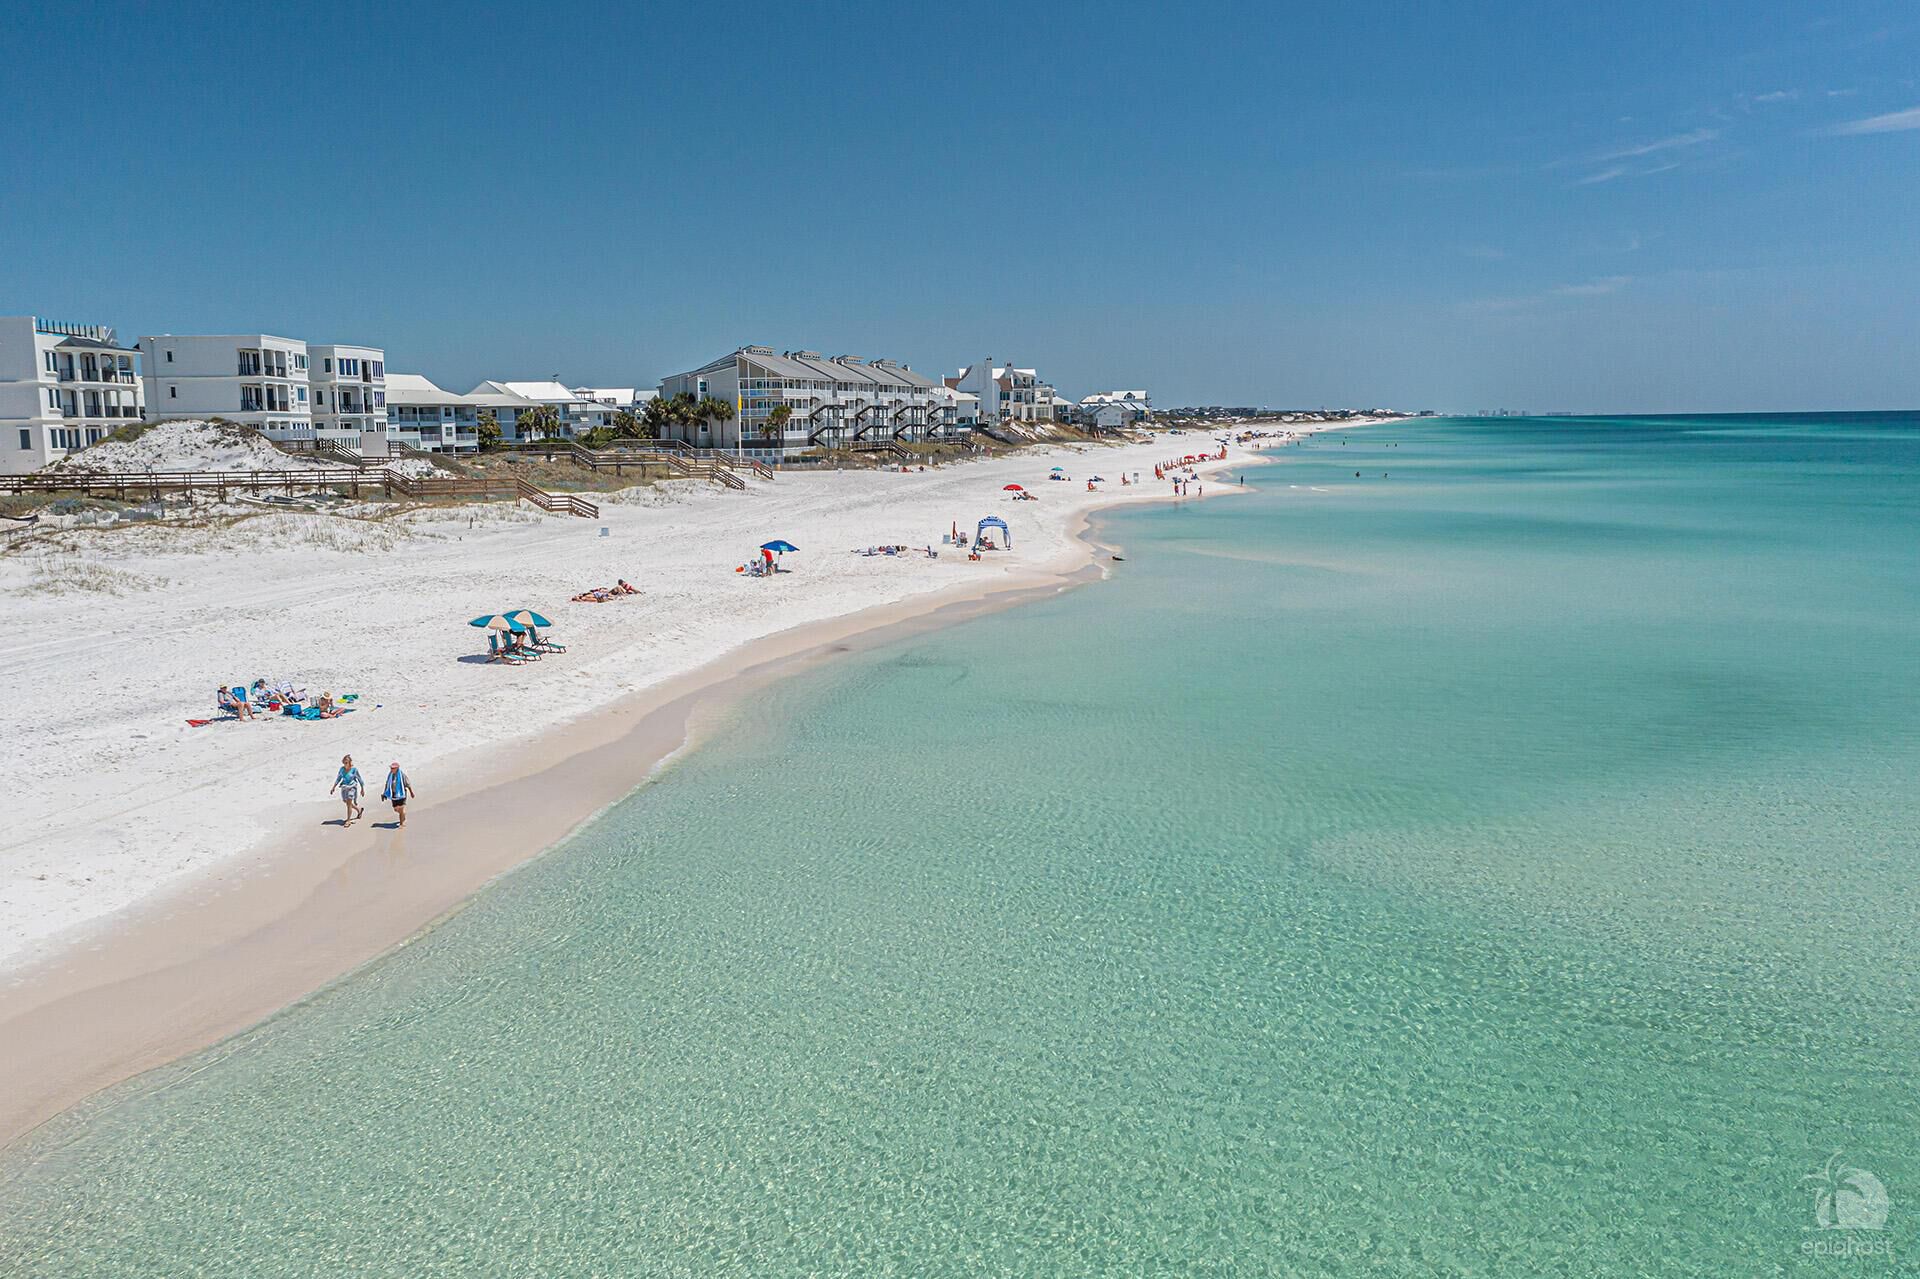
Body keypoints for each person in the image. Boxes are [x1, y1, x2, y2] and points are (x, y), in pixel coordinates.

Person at [331, 754, 364, 825]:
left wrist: (362, 789)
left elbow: (359, 779)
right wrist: (333, 787)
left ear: (350, 762)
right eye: (344, 762)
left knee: (349, 803)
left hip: (352, 787)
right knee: (346, 802)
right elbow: (338, 778)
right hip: (344, 787)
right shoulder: (342, 769)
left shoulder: (354, 770)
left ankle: (348, 820)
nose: (345, 764)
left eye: (346, 762)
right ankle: (359, 810)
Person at [382, 762, 415, 827]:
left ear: (397, 768)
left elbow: (408, 784)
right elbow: (387, 784)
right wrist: (384, 793)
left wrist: (411, 792)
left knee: (401, 808)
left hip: (402, 794)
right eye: (391, 768)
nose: (391, 769)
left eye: (393, 768)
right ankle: (403, 814)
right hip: (393, 794)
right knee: (396, 809)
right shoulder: (390, 775)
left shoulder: (402, 775)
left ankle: (401, 824)